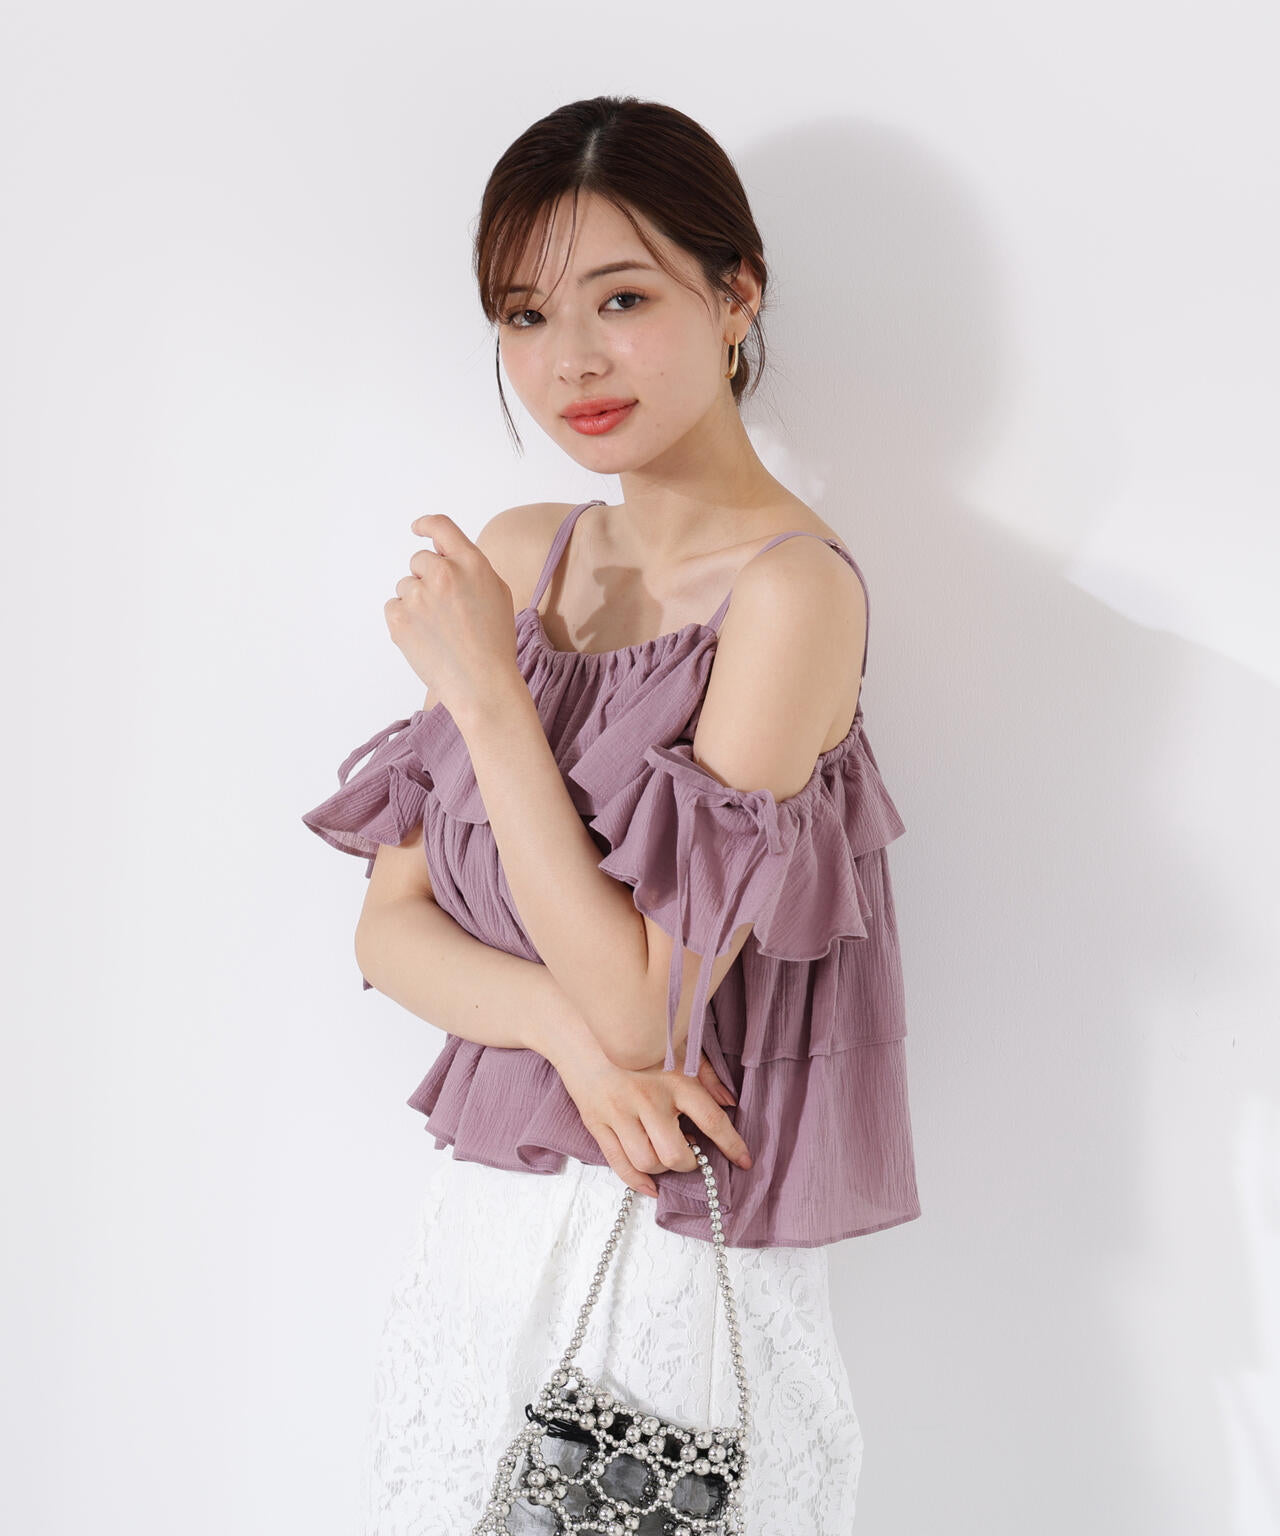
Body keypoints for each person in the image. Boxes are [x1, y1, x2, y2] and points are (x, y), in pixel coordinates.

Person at [301, 94, 920, 1536]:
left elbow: (651, 1009)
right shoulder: (520, 556)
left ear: (735, 294)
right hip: (481, 1240)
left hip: (669, 1263)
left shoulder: (790, 596)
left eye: (622, 299)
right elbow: (390, 933)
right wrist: (566, 1036)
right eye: (524, 316)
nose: (569, 360)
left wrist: (492, 699)